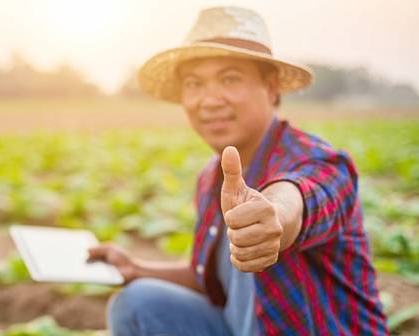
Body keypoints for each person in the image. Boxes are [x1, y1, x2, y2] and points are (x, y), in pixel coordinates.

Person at [87, 6, 388, 335]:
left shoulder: (320, 161)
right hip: (243, 325)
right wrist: (136, 268)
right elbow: (211, 283)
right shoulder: (210, 178)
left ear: (271, 87)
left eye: (229, 79)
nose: (209, 100)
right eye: (194, 83)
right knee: (136, 303)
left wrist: (273, 214)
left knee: (251, 253)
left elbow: (297, 200)